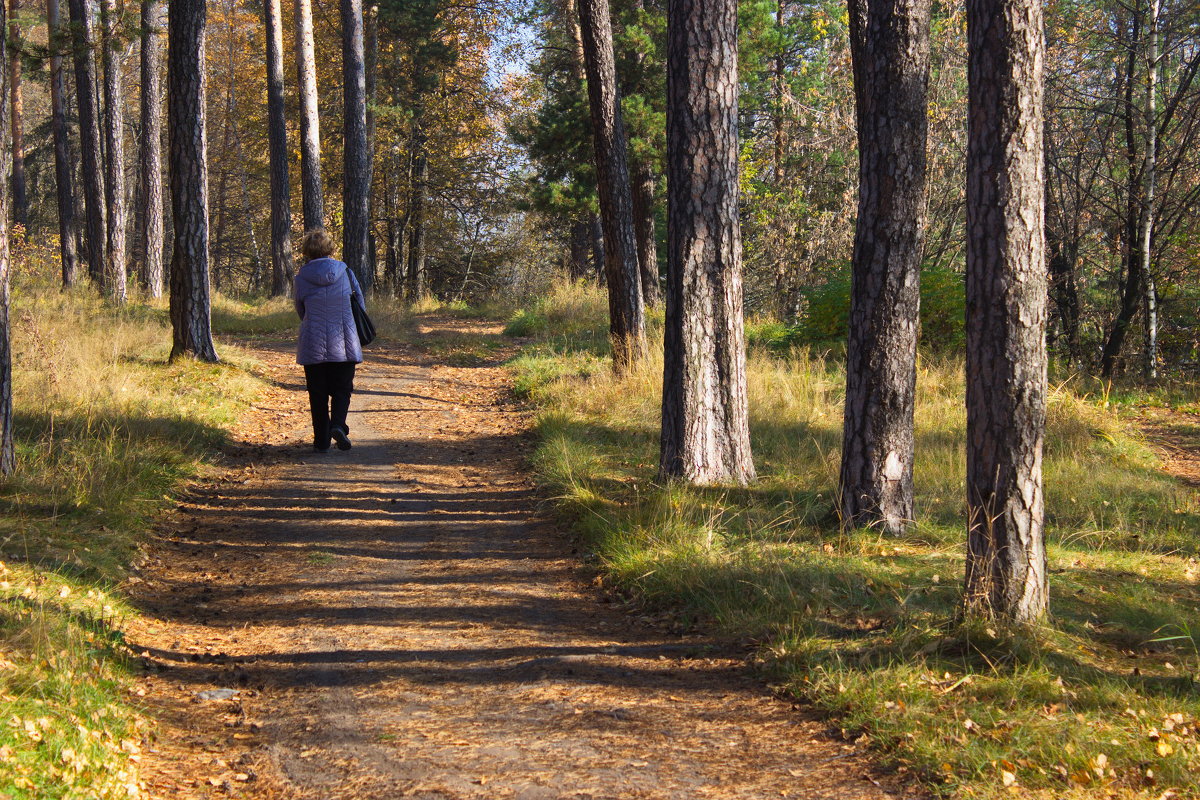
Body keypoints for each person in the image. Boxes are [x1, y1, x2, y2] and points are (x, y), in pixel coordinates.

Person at [294, 228, 364, 453]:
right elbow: (359, 303)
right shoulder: (345, 272)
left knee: (317, 393)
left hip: (313, 341)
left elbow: (300, 308)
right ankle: (338, 425)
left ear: (307, 252)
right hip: (344, 339)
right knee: (342, 389)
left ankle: (321, 442)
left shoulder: (301, 277)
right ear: (330, 248)